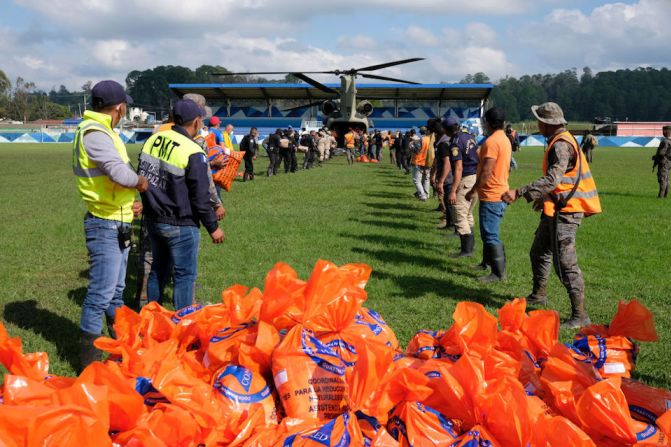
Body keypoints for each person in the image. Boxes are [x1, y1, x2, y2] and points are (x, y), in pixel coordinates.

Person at [502, 102, 602, 328]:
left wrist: (520, 192)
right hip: (556, 207)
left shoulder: (561, 146)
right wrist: (543, 198)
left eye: (539, 120)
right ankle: (539, 295)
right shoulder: (560, 140)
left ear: (547, 123)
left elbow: (553, 180)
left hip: (567, 212)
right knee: (539, 252)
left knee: (566, 264)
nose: (537, 124)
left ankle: (580, 315)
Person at [72, 80, 148, 367]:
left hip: (118, 219)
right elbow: (118, 172)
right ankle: (88, 364)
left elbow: (112, 179)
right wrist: (140, 183)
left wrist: (130, 204)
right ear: (118, 107)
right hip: (104, 224)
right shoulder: (94, 132)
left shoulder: (104, 131)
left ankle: (121, 347)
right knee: (99, 296)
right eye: (124, 106)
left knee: (115, 292)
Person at [137, 99, 225, 312]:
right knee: (185, 276)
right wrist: (213, 227)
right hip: (181, 223)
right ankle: (183, 325)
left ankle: (153, 319)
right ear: (196, 121)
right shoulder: (193, 150)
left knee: (158, 270)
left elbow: (143, 176)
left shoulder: (154, 140)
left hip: (154, 219)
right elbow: (200, 197)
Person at [465, 107, 511, 282]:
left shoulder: (491, 142)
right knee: (487, 232)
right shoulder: (504, 139)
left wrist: (473, 190)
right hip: (499, 190)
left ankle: (498, 273)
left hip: (492, 194)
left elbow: (486, 171)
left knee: (491, 233)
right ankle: (486, 263)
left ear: (488, 123)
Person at [445, 118, 479, 257]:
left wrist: (453, 190)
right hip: (475, 177)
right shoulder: (469, 136)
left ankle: (466, 250)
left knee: (459, 213)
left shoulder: (455, 142)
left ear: (448, 130)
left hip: (465, 179)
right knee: (468, 213)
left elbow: (458, 168)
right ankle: (470, 246)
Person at [435, 119, 456, 231]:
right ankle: (449, 223)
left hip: (448, 178)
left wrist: (441, 180)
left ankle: (451, 225)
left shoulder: (443, 144)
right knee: (449, 202)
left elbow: (447, 163)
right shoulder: (450, 140)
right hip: (451, 176)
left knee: (450, 202)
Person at [411, 126, 432, 201]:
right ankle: (426, 194)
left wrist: (411, 146)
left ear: (420, 132)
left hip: (419, 161)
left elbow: (416, 150)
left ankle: (422, 195)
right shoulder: (431, 139)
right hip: (428, 162)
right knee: (426, 179)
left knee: (417, 180)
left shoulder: (421, 139)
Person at [654, 126, 671, 198]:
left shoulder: (665, 141)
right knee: (666, 178)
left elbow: (661, 153)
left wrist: (655, 156)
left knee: (662, 179)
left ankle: (661, 196)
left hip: (664, 162)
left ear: (667, 131)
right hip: (669, 162)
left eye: (664, 131)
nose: (663, 132)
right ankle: (665, 195)